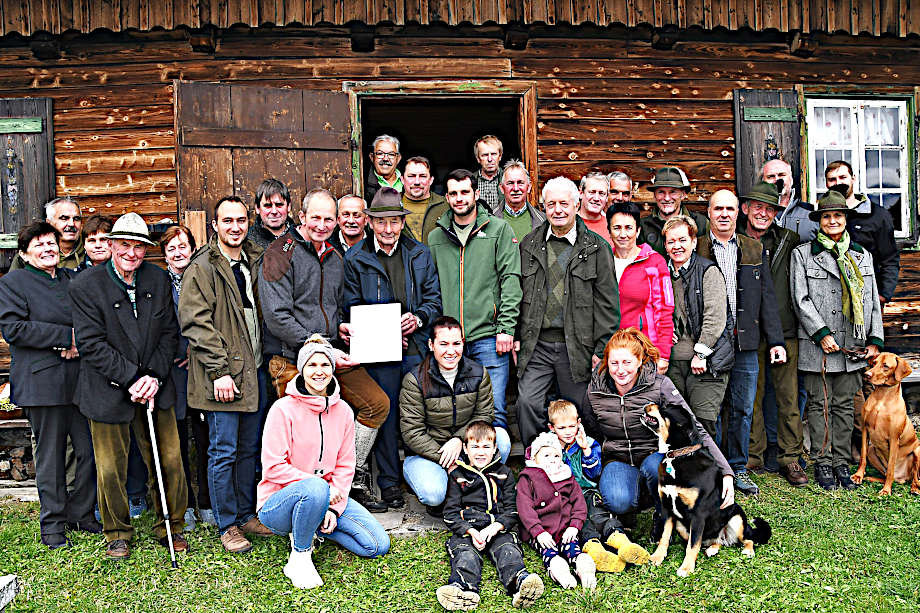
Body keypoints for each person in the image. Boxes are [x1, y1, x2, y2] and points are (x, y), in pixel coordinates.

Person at [258, 188, 390, 513]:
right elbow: (276, 316)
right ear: (301, 216)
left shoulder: (334, 256)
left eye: (328, 219)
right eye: (315, 217)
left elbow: (330, 307)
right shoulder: (278, 253)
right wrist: (320, 345)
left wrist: (340, 327)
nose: (321, 225)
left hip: (331, 353)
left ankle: (349, 478)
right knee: (303, 432)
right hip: (292, 357)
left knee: (376, 404)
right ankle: (305, 501)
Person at [68, 212, 188, 560]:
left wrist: (153, 377)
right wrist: (132, 378)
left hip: (155, 384)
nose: (131, 253)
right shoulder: (85, 285)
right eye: (124, 245)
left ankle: (171, 526)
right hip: (107, 387)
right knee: (110, 467)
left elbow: (169, 333)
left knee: (169, 459)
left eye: (139, 247)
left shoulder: (157, 279)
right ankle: (117, 532)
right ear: (111, 245)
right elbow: (91, 344)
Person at [257, 335, 390, 590]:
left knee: (376, 545)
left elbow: (345, 466)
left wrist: (331, 509)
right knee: (316, 486)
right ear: (302, 369)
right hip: (278, 503)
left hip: (327, 496)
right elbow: (273, 467)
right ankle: (300, 556)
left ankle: (312, 525)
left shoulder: (344, 412)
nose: (319, 372)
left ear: (332, 368)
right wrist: (321, 489)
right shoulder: (282, 409)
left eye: (325, 365)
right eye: (312, 365)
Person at [179, 196, 273, 553]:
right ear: (215, 225)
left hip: (254, 371)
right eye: (227, 221)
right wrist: (219, 371)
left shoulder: (253, 259)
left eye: (241, 220)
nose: (235, 227)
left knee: (249, 449)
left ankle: (247, 514)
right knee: (223, 451)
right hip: (223, 377)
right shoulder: (203, 267)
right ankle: (227, 524)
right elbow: (196, 324)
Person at [343, 187, 442, 510]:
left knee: (416, 412)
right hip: (379, 351)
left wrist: (419, 317)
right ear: (370, 223)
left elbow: (434, 300)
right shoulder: (355, 258)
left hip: (415, 347)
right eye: (381, 222)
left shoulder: (420, 253)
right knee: (385, 412)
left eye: (394, 222)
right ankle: (389, 482)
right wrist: (381, 333)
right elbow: (351, 306)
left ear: (402, 222)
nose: (388, 229)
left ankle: (421, 474)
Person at [0, 222, 98, 549]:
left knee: (89, 451)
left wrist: (80, 341)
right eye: (39, 244)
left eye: (51, 243)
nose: (47, 249)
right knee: (51, 458)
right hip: (43, 382)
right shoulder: (13, 283)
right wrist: (65, 338)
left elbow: (91, 321)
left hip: (80, 381)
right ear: (25, 254)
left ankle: (81, 513)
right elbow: (15, 329)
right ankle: (53, 526)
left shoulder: (73, 279)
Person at [582, 329, 734, 531]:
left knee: (657, 469)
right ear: (606, 363)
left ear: (639, 361)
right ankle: (633, 502)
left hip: (655, 455)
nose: (620, 370)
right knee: (617, 500)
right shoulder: (595, 390)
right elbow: (591, 428)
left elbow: (694, 427)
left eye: (627, 362)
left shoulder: (660, 385)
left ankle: (662, 511)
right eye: (614, 363)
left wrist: (725, 472)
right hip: (617, 457)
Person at [791, 190, 884, 491]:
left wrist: (874, 339)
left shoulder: (861, 255)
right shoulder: (803, 254)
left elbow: (872, 301)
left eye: (838, 216)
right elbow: (801, 300)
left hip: (852, 345)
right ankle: (823, 461)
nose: (833, 221)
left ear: (845, 219)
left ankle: (842, 461)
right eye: (827, 216)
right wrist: (821, 334)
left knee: (844, 405)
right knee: (819, 404)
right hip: (817, 344)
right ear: (819, 221)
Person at [516, 176, 619, 446]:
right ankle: (539, 459)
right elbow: (517, 294)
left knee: (584, 407)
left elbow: (608, 304)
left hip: (577, 346)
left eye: (564, 203)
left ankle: (583, 460)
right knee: (527, 403)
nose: (558, 210)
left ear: (576, 204)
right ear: (544, 207)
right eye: (551, 204)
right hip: (537, 344)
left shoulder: (597, 248)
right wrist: (516, 336)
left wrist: (601, 350)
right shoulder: (529, 245)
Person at [696, 189, 786, 497]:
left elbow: (767, 298)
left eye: (729, 209)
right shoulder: (698, 246)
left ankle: (738, 467)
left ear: (738, 213)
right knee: (711, 409)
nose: (724, 214)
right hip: (709, 343)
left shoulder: (753, 247)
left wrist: (775, 341)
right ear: (709, 213)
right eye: (718, 208)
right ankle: (714, 468)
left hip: (745, 341)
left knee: (743, 408)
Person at [428, 169, 520, 444]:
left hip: (488, 337)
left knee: (494, 409)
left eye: (465, 192)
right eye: (453, 193)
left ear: (476, 194)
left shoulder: (498, 230)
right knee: (455, 412)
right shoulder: (436, 237)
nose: (459, 198)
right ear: (447, 198)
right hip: (449, 340)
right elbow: (430, 287)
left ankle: (495, 466)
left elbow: (510, 279)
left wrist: (506, 328)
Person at [399, 316, 509, 512]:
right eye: (443, 344)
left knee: (502, 439)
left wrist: (459, 440)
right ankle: (456, 493)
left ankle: (476, 490)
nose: (451, 351)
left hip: (465, 446)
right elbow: (412, 432)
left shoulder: (478, 373)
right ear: (431, 345)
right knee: (433, 493)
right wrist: (448, 459)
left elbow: (484, 415)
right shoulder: (414, 380)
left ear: (463, 343)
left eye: (456, 343)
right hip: (428, 453)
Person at [739, 181, 808, 486]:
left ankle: (790, 457)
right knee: (750, 396)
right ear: (746, 208)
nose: (763, 214)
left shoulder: (788, 240)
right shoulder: (735, 239)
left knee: (788, 397)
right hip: (749, 331)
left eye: (770, 209)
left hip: (785, 328)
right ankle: (753, 455)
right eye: (758, 207)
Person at [437, 421, 545, 611]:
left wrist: (496, 527)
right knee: (465, 555)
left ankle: (520, 583)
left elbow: (513, 509)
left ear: (495, 448)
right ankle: (462, 589)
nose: (481, 452)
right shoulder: (457, 475)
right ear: (465, 449)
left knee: (508, 550)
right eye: (475, 447)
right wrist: (470, 531)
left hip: (496, 527)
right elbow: (450, 513)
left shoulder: (504, 473)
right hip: (468, 530)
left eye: (486, 447)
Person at [547, 400, 648, 573]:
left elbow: (594, 473)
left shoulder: (588, 443)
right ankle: (596, 551)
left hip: (587, 491)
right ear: (552, 428)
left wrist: (585, 450)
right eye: (562, 428)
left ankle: (623, 543)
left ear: (579, 423)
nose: (568, 432)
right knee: (581, 522)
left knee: (600, 515)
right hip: (566, 497)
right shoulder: (548, 448)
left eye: (572, 426)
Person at [663, 216, 733, 438]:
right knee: (677, 423)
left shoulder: (707, 271)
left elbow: (715, 316)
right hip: (673, 362)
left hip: (707, 361)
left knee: (703, 424)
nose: (677, 246)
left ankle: (713, 463)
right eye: (671, 241)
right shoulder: (662, 273)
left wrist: (701, 353)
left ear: (693, 242)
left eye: (682, 240)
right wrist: (665, 331)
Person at [160, 224, 208, 528]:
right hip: (173, 369)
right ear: (165, 255)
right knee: (176, 441)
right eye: (171, 248)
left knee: (205, 438)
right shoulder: (159, 283)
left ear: (192, 248)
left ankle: (207, 501)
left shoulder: (203, 276)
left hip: (202, 366)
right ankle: (184, 505)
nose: (178, 253)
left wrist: (197, 350)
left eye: (183, 246)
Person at [516, 432, 597, 591]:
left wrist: (574, 526)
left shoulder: (566, 476)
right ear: (534, 458)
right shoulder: (528, 478)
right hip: (542, 531)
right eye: (546, 455)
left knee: (572, 547)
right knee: (549, 551)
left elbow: (579, 503)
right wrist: (538, 532)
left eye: (556, 456)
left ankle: (583, 567)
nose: (552, 459)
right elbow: (525, 508)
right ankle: (560, 571)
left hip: (565, 529)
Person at [607, 202, 673, 373]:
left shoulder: (654, 262)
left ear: (637, 231)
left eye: (629, 228)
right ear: (609, 231)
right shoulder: (603, 261)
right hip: (610, 351)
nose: (623, 234)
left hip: (644, 350)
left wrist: (663, 354)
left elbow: (665, 310)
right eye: (617, 228)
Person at [824, 160, 900, 305]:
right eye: (832, 179)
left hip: (867, 297)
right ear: (826, 183)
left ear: (853, 178)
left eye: (843, 177)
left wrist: (883, 295)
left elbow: (889, 258)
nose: (838, 183)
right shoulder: (820, 216)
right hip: (829, 298)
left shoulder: (878, 216)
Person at [638, 167, 708, 256]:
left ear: (683, 194)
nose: (667, 198)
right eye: (661, 192)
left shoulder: (701, 223)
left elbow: (705, 258)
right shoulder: (642, 226)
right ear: (654, 195)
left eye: (673, 192)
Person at [11, 197, 85, 271]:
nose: (71, 224)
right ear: (49, 223)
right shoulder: (30, 254)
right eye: (64, 218)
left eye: (76, 219)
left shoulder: (89, 250)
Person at [766, 159, 818, 242]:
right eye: (771, 176)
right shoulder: (753, 215)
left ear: (791, 179)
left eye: (781, 175)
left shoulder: (811, 216)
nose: (777, 179)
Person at [491, 159, 544, 240]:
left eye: (520, 183)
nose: (515, 188)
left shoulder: (542, 220)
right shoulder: (490, 218)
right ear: (502, 188)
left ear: (528, 187)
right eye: (510, 183)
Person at [401, 156, 448, 244]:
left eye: (423, 176)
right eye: (411, 176)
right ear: (402, 179)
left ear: (431, 180)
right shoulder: (393, 204)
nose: (417, 182)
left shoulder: (446, 206)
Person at [247, 178, 296, 249]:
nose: (274, 211)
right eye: (268, 205)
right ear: (257, 208)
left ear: (288, 206)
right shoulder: (247, 241)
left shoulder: (301, 237)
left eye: (279, 205)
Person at [578, 172, 614, 251]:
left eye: (601, 193)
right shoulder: (569, 223)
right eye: (592, 192)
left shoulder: (613, 225)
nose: (596, 198)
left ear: (607, 197)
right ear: (581, 193)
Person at [366, 134, 403, 201]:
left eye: (391, 154)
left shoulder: (408, 180)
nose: (385, 159)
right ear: (372, 157)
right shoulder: (364, 184)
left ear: (398, 158)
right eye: (380, 154)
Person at [473, 135, 503, 210]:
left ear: (500, 156)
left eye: (493, 154)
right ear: (478, 158)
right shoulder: (470, 181)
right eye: (485, 155)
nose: (490, 159)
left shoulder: (509, 179)